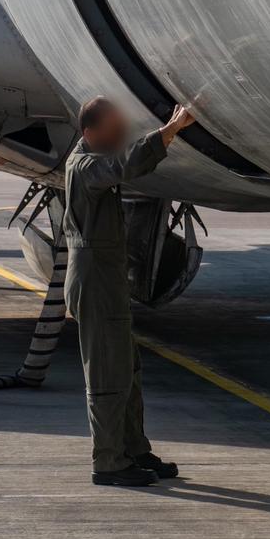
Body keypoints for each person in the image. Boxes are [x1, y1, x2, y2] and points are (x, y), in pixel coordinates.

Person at [64, 97, 197, 486]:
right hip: (96, 283)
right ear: (90, 133)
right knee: (108, 374)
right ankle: (108, 462)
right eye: (113, 129)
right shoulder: (85, 166)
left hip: (106, 279)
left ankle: (133, 449)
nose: (119, 135)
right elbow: (122, 165)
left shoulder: (92, 158)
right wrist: (169, 131)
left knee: (127, 369)